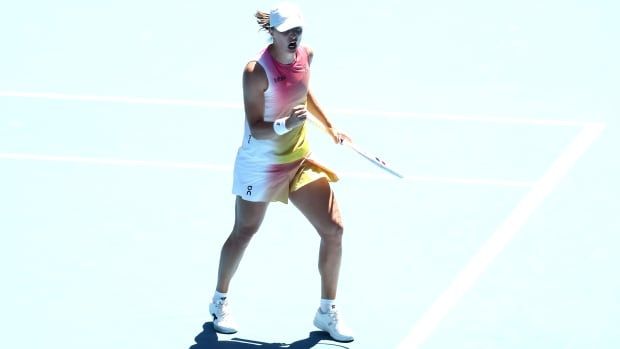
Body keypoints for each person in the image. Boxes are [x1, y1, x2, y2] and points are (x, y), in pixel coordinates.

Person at [208, 2, 354, 343]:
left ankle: (326, 311)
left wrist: (331, 126)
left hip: (298, 159)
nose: (293, 36)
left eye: (297, 30)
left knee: (333, 230)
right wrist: (285, 123)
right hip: (259, 164)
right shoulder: (255, 72)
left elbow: (303, 91)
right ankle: (219, 302)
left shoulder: (307, 55)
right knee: (245, 232)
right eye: (286, 31)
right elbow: (256, 126)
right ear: (271, 32)